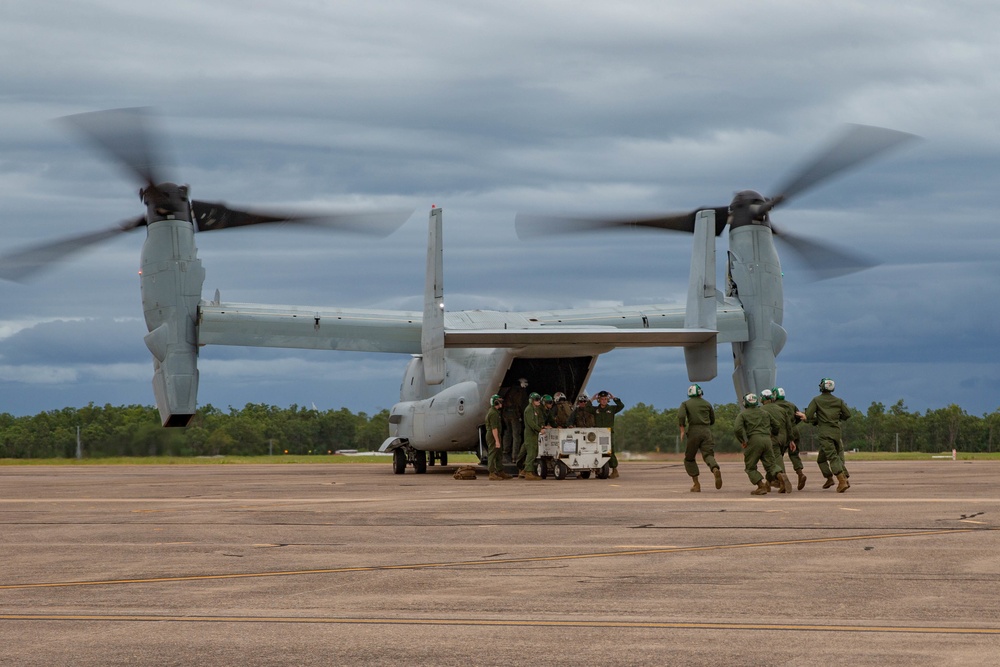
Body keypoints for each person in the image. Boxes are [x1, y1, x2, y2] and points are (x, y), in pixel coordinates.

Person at [733, 393, 786, 495]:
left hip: (754, 440)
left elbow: (737, 429)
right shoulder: (765, 412)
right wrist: (772, 434)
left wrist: (742, 440)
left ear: (745, 402)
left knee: (750, 467)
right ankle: (779, 474)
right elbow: (777, 424)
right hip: (767, 440)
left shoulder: (743, 414)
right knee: (771, 464)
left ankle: (761, 486)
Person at [805, 378, 851, 492]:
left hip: (825, 434)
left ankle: (842, 480)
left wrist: (814, 419)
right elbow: (847, 414)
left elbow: (809, 416)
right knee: (822, 459)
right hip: (836, 432)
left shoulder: (816, 400)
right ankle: (831, 478)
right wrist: (836, 418)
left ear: (822, 387)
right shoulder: (839, 401)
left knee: (832, 457)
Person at [677, 384, 721, 492]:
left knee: (689, 458)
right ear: (701, 393)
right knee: (708, 455)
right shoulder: (707, 404)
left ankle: (696, 484)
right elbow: (712, 420)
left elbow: (681, 416)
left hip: (693, 431)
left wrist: (682, 430)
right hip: (706, 431)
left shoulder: (685, 404)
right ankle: (715, 469)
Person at [581, 390, 625, 478]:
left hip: (608, 434)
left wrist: (614, 398)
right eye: (602, 399)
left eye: (605, 399)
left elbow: (621, 406)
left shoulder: (611, 409)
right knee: (598, 451)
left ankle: (614, 470)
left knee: (610, 451)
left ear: (607, 400)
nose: (604, 400)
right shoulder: (596, 410)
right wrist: (592, 399)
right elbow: (586, 408)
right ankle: (600, 471)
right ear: (599, 400)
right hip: (598, 434)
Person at [773, 387, 807, 490]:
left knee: (778, 455)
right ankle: (800, 473)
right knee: (794, 454)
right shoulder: (791, 405)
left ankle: (781, 478)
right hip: (794, 430)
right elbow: (799, 417)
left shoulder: (774, 407)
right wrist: (794, 426)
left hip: (782, 433)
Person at [760, 389, 793, 493]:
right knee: (776, 458)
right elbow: (789, 426)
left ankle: (781, 478)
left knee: (772, 460)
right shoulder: (781, 409)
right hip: (784, 439)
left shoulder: (761, 410)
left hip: (772, 438)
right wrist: (791, 440)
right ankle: (769, 482)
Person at [521, 392, 548, 480]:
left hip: (534, 434)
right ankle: (528, 473)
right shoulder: (529, 409)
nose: (538, 401)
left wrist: (542, 426)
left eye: (539, 399)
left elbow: (537, 421)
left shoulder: (535, 409)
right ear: (532, 401)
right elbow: (531, 423)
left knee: (534, 452)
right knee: (531, 453)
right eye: (536, 399)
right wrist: (539, 429)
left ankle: (525, 471)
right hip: (530, 434)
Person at [501, 378, 528, 465]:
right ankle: (515, 456)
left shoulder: (509, 390)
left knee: (507, 433)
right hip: (514, 416)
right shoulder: (520, 392)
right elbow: (522, 405)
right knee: (516, 436)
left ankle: (505, 453)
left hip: (506, 414)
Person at [485, 394, 510, 480]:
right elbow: (494, 428)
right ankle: (491, 472)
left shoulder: (495, 412)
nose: (501, 402)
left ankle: (500, 471)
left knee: (499, 453)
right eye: (499, 401)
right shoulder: (493, 413)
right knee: (493, 453)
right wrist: (497, 441)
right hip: (493, 435)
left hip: (496, 435)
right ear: (495, 402)